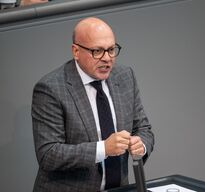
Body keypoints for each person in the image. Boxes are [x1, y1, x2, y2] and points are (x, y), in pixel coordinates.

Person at [31, 17, 154, 192]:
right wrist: (104, 148)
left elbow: (143, 128)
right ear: (76, 51)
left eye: (111, 50)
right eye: (97, 51)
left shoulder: (125, 76)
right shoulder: (51, 88)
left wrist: (140, 145)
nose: (107, 58)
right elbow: (49, 154)